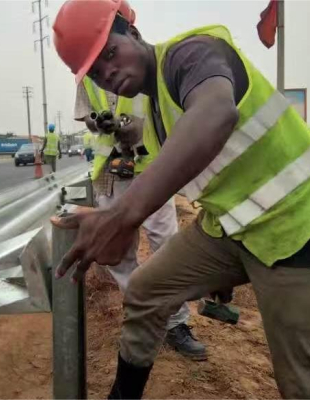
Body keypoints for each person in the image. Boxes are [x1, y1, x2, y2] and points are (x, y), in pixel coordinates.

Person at [53, 0, 310, 399]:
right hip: (231, 228)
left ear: (133, 35)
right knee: (144, 290)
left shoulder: (191, 53)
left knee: (298, 378)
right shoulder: (154, 107)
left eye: (110, 54)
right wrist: (216, 270)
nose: (109, 74)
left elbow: (216, 113)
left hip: (295, 227)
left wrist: (122, 216)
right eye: (98, 73)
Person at [75, 76, 207, 360]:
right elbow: (85, 115)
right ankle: (142, 312)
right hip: (110, 174)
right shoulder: (87, 76)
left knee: (168, 245)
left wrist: (138, 126)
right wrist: (98, 123)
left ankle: (176, 323)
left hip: (152, 169)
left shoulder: (146, 66)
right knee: (120, 254)